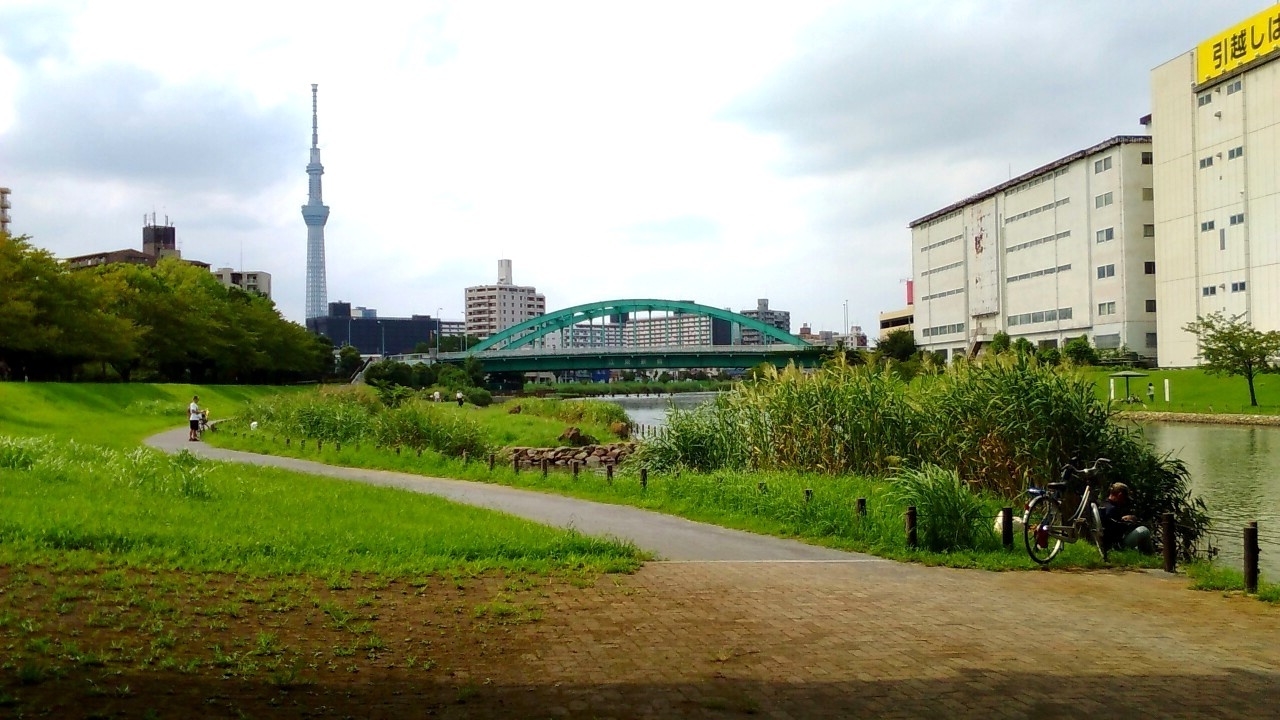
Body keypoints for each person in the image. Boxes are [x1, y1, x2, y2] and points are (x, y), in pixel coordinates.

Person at [1101, 482, 1153, 553]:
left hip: (1108, 543)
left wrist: (1122, 519)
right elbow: (1116, 531)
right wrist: (1129, 521)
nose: (1124, 501)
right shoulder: (1112, 509)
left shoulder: (1104, 504)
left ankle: (1145, 556)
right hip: (1116, 545)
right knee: (1144, 531)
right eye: (1124, 498)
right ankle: (1150, 556)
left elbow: (1111, 523)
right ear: (1120, 495)